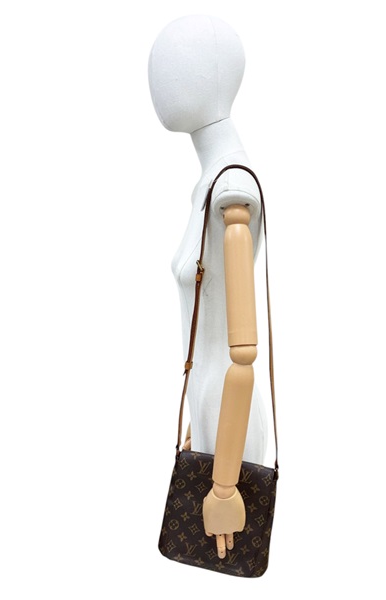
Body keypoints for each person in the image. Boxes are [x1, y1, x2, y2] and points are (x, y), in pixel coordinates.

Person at [148, 14, 268, 559]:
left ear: (215, 73)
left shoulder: (231, 189)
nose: (157, 78)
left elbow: (243, 351)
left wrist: (224, 485)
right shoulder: (210, 182)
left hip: (228, 413)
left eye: (175, 61)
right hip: (210, 407)